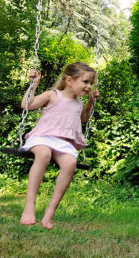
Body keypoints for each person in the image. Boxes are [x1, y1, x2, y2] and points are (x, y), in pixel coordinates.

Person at [19, 62, 99, 229]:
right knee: (44, 154)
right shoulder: (53, 95)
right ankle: (29, 205)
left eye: (91, 83)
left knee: (70, 163)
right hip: (42, 138)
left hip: (64, 143)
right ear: (69, 80)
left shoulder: (78, 103)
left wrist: (90, 102)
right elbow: (27, 104)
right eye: (85, 82)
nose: (89, 86)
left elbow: (83, 118)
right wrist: (33, 84)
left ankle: (50, 211)